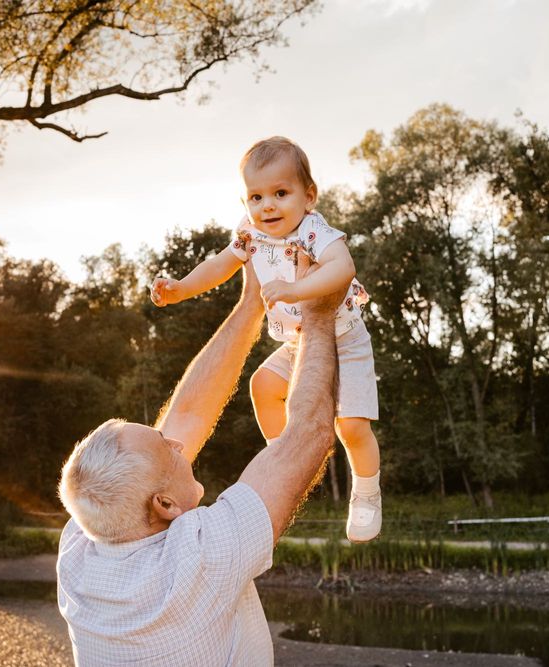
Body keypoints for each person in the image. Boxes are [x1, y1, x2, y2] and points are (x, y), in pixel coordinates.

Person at [57, 262, 341, 666]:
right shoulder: (201, 560)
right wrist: (318, 312)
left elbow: (187, 414)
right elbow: (308, 433)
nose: (177, 443)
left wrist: (250, 305)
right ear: (165, 505)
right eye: (168, 449)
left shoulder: (81, 546)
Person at [150, 136, 382, 542]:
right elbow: (221, 264)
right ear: (245, 204)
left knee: (352, 427)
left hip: (345, 337)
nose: (267, 206)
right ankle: (288, 458)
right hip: (297, 342)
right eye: (255, 197)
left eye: (280, 193)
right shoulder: (250, 235)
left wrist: (296, 291)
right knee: (263, 385)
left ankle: (366, 492)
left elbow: (342, 267)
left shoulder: (313, 231)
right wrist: (182, 288)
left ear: (308, 197)